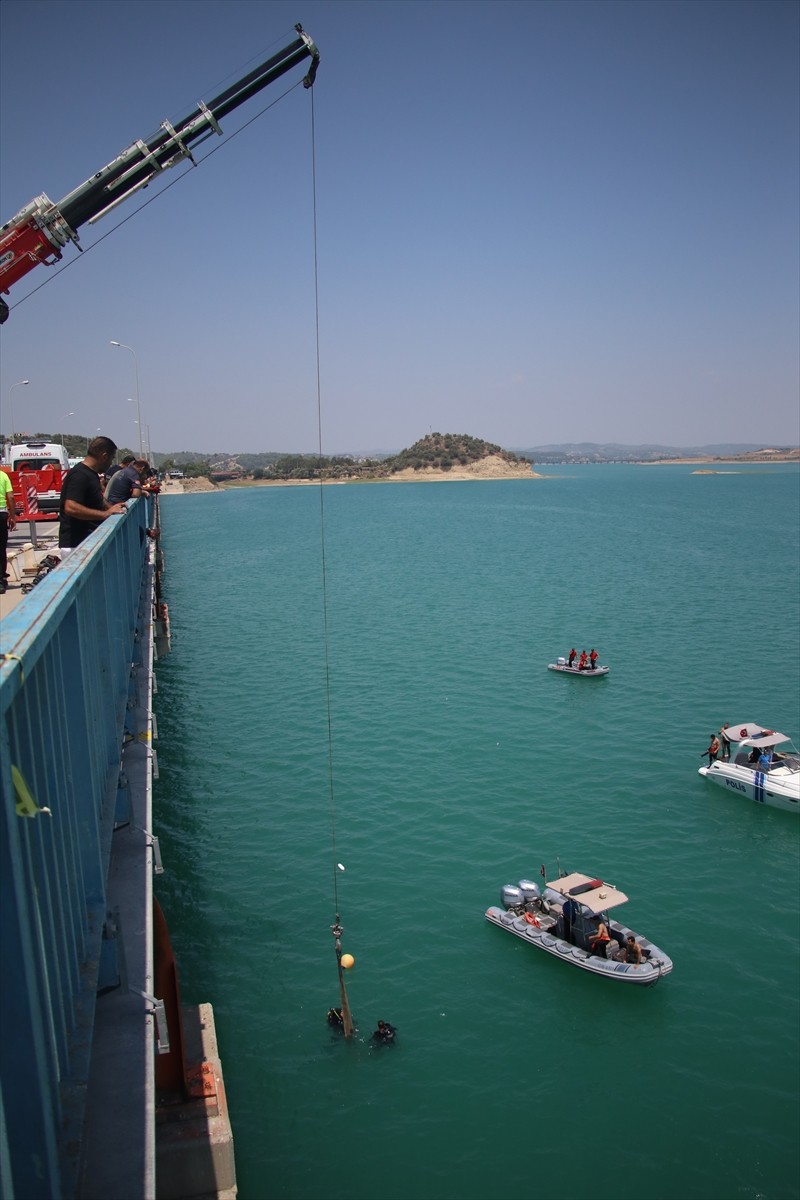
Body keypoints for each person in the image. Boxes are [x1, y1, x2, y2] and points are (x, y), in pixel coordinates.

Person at [58, 436, 127, 556]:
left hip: (85, 542)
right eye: (111, 458)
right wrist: (105, 514)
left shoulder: (91, 474)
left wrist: (112, 507)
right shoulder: (80, 475)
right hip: (76, 545)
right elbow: (70, 507)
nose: (111, 463)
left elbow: (95, 499)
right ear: (104, 456)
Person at [0, 468, 17, 595]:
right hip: (1, 514)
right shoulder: (3, 476)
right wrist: (12, 516)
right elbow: (10, 496)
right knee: (1, 548)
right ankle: (1, 580)